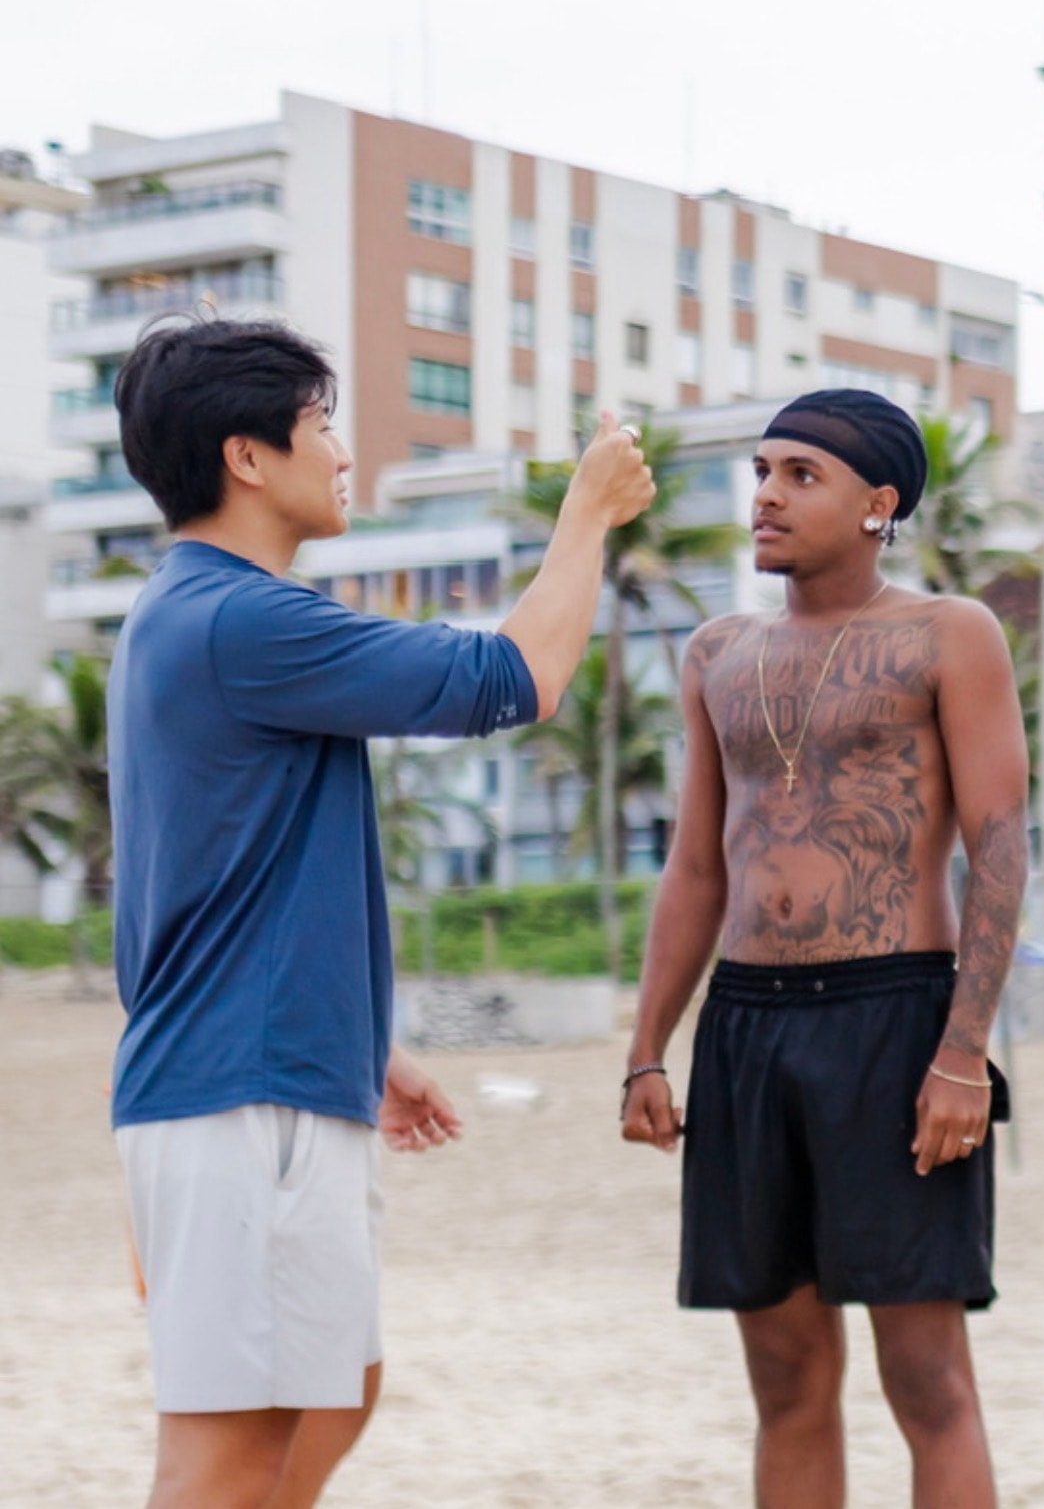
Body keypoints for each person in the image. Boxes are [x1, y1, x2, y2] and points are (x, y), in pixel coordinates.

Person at [107, 310, 655, 1509]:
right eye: (322, 424)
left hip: (274, 1071)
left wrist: (367, 1043)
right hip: (232, 1093)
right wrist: (585, 515)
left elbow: (204, 885)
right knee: (225, 1450)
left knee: (339, 1388)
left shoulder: (194, 616)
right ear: (248, 456)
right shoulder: (234, 617)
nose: (342, 452)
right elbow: (512, 680)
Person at [621, 388, 1028, 1509]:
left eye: (800, 473)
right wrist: (647, 1046)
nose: (764, 493)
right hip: (746, 1025)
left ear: (875, 503)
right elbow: (696, 867)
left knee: (925, 1375)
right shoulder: (715, 651)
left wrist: (961, 1054)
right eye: (761, 470)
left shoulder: (947, 633)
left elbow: (998, 848)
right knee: (786, 1376)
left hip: (894, 1018)